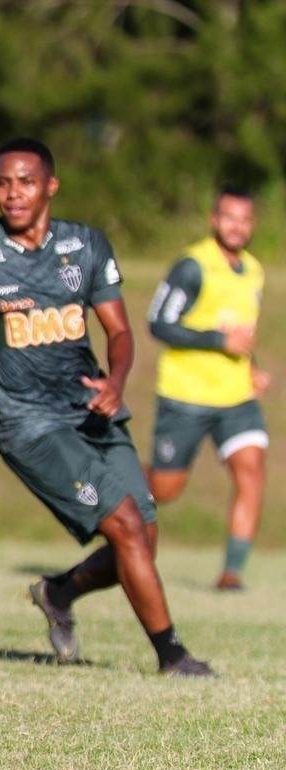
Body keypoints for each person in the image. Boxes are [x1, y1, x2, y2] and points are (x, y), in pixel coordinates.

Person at [0, 137, 213, 676]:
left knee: (144, 534)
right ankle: (173, 656)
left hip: (92, 409)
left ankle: (59, 592)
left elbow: (119, 331)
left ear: (50, 185)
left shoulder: (85, 245)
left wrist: (116, 380)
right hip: (28, 425)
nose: (12, 194)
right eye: (2, 182)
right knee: (125, 525)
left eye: (25, 181)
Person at [145, 188, 269, 591]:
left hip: (235, 397)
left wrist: (253, 369)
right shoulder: (192, 267)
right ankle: (115, 489)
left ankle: (231, 573)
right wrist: (218, 343)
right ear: (214, 219)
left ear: (252, 225)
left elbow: (240, 332)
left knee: (251, 469)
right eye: (229, 217)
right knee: (165, 489)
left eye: (245, 219)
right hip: (187, 395)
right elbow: (158, 323)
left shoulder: (253, 270)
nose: (237, 226)